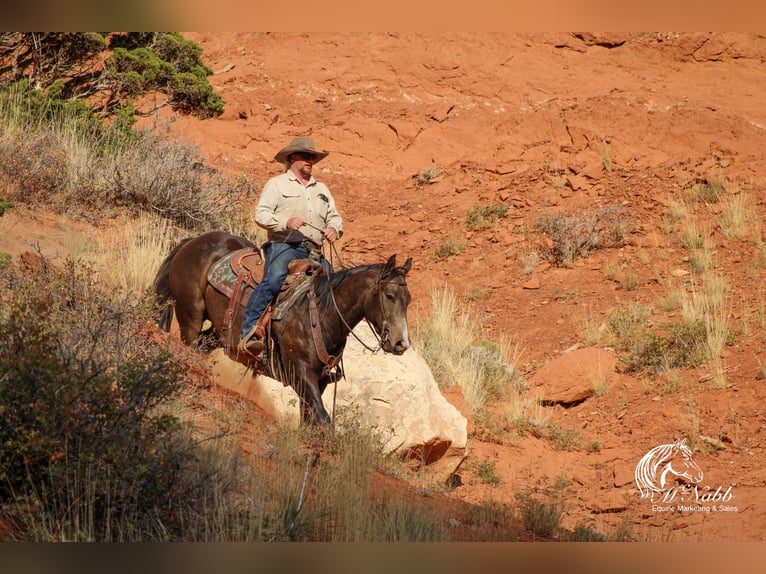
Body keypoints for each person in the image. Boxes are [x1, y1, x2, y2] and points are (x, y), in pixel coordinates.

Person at [239, 136, 343, 357]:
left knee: (333, 287)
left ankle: (327, 348)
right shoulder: (276, 184)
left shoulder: (322, 189)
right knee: (274, 279)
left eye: (313, 157)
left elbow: (335, 217)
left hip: (314, 250)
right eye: (306, 156)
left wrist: (334, 228)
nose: (311, 160)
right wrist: (284, 222)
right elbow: (261, 214)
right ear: (292, 158)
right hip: (284, 245)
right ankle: (248, 333)